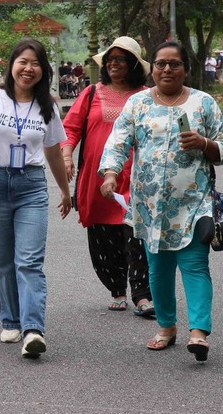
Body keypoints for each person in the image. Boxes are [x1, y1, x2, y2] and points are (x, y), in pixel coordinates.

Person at [100, 41, 223, 363]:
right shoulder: (138, 104)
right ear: (152, 68)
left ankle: (199, 333)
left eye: (174, 64)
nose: (167, 70)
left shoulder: (204, 103)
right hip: (149, 206)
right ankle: (166, 327)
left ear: (185, 68)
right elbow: (118, 142)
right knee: (158, 270)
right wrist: (110, 174)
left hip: (194, 204)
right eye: (161, 64)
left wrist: (204, 144)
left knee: (195, 266)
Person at [0, 38, 71, 358]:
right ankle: (10, 320)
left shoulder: (48, 106)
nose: (28, 68)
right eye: (23, 61)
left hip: (31, 186)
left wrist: (66, 191)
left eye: (36, 63)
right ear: (12, 65)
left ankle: (33, 330)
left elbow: (53, 152)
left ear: (44, 71)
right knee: (2, 261)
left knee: (29, 261)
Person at [61, 37, 153, 316]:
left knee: (136, 233)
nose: (113, 63)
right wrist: (66, 156)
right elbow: (71, 128)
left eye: (121, 59)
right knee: (103, 234)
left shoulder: (147, 95)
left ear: (134, 65)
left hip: (136, 176)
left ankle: (141, 294)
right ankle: (116, 289)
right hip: (97, 177)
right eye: (110, 59)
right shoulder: (90, 93)